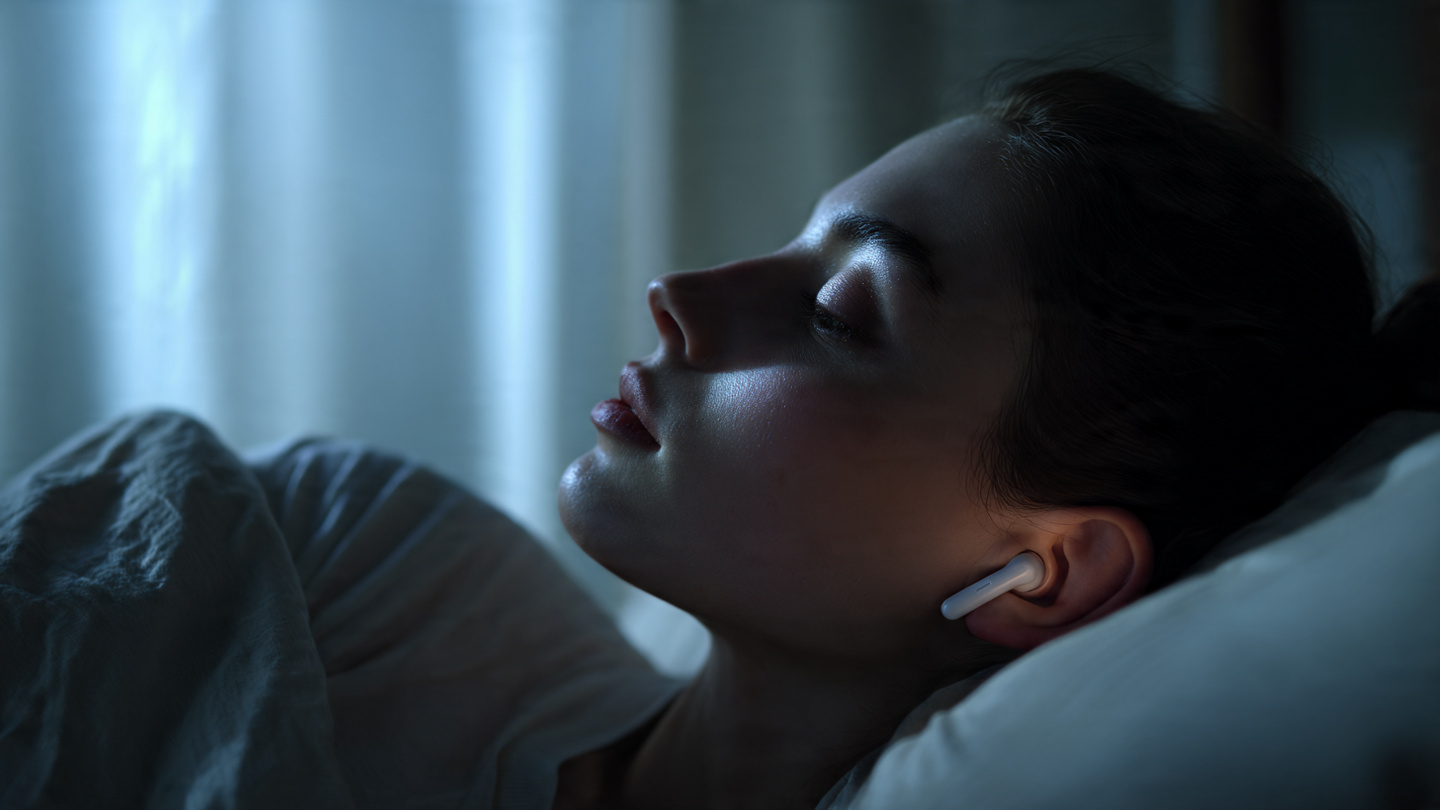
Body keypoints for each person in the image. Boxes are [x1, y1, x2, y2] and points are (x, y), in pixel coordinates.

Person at [551, 67, 1440, 808]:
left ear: (1046, 576)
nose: (679, 292)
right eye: (796, 244)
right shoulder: (418, 592)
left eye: (833, 315)